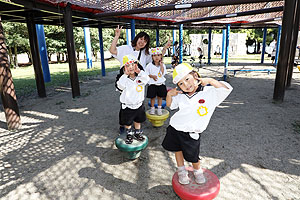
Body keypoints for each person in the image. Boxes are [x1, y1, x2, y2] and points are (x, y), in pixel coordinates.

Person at [162, 63, 233, 185]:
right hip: (175, 128)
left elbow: (226, 89)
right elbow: (170, 105)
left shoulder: (209, 92)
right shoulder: (181, 96)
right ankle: (181, 171)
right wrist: (169, 94)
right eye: (181, 83)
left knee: (193, 156)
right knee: (177, 150)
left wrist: (210, 80)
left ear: (195, 75)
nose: (186, 85)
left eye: (187, 79)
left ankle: (197, 171)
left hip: (192, 132)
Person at [116, 54, 150, 144]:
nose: (130, 67)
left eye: (133, 64)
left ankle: (137, 133)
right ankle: (129, 134)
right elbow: (120, 86)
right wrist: (124, 75)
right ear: (123, 68)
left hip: (139, 104)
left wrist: (140, 72)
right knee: (127, 123)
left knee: (138, 121)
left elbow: (147, 79)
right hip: (127, 106)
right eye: (127, 65)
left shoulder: (140, 78)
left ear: (137, 65)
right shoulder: (123, 79)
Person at [146, 47, 168, 115]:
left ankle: (159, 108)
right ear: (152, 57)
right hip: (152, 84)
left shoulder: (163, 65)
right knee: (152, 97)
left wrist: (161, 66)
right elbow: (146, 74)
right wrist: (152, 76)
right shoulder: (149, 65)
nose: (157, 57)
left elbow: (162, 73)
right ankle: (152, 108)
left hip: (161, 84)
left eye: (158, 55)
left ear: (161, 56)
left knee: (160, 97)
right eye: (155, 55)